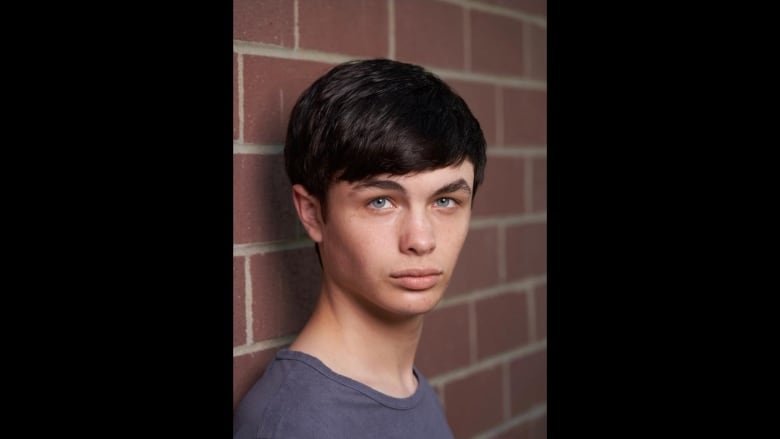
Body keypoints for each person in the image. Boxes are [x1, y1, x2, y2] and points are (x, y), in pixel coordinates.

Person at [233, 58, 487, 439]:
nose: (421, 240)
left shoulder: (407, 388)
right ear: (313, 213)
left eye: (445, 201)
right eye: (381, 201)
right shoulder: (295, 422)